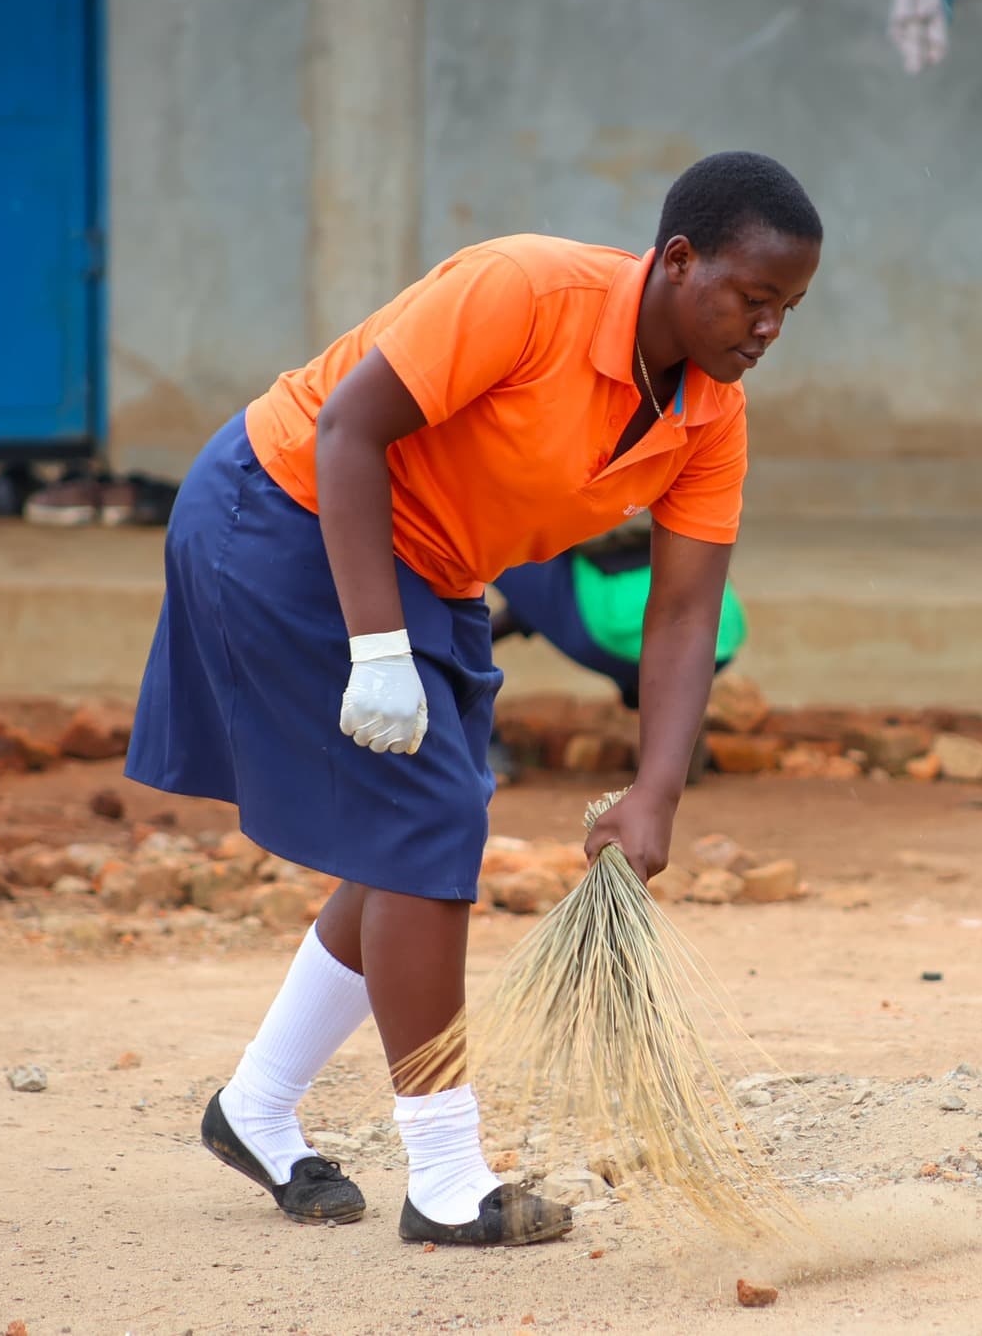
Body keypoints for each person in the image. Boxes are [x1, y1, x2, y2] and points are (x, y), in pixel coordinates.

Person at [124, 151, 821, 1245]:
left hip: (432, 568)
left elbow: (682, 614)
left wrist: (655, 792)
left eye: (788, 308)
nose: (767, 328)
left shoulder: (707, 416)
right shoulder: (525, 292)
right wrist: (374, 649)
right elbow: (348, 431)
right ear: (678, 262)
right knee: (431, 823)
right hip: (286, 511)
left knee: (409, 839)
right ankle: (446, 1175)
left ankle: (254, 1110)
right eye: (752, 297)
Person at [488, 515, 746, 782]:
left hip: (613, 634)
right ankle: (676, 724)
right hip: (716, 633)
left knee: (481, 538)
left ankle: (485, 748)